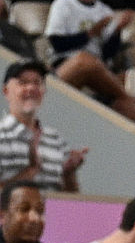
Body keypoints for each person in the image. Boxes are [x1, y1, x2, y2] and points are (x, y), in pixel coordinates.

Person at [44, 0, 135, 123]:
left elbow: (107, 53)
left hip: (99, 70)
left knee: (129, 103)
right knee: (85, 60)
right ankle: (127, 96)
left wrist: (117, 30)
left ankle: (128, 105)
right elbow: (56, 43)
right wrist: (90, 34)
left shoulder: (105, 10)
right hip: (66, 65)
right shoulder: (63, 4)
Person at [0, 60, 87, 192]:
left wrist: (68, 174)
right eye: (23, 82)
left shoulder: (55, 139)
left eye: (37, 82)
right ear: (6, 91)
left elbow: (71, 202)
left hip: (53, 213)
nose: (31, 88)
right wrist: (30, 172)